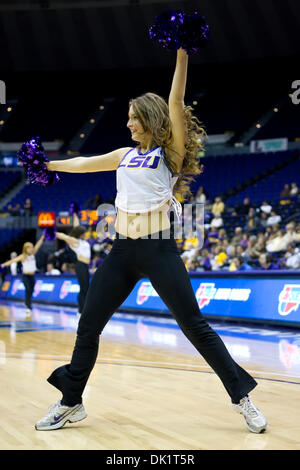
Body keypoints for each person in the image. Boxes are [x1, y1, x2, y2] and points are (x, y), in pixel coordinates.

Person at [35, 48, 267, 434]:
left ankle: (242, 399)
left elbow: (176, 100)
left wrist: (182, 55)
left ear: (149, 119)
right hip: (122, 250)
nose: (127, 125)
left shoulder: (169, 154)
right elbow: (82, 162)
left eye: (133, 118)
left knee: (194, 325)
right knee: (89, 323)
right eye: (127, 119)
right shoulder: (124, 155)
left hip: (159, 248)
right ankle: (70, 402)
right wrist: (48, 164)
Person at [55, 213, 91, 315]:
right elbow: (64, 236)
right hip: (80, 265)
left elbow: (76, 226)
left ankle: (84, 309)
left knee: (86, 288)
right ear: (80, 234)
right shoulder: (75, 241)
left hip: (85, 266)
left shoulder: (81, 240)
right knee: (84, 288)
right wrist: (52, 233)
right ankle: (80, 311)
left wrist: (75, 215)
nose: (85, 234)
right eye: (84, 233)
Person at [0, 234, 44, 314]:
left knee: (32, 290)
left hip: (32, 276)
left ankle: (27, 303)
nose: (31, 249)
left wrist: (42, 238)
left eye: (31, 247)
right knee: (28, 289)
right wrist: (3, 264)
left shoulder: (33, 254)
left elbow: (38, 245)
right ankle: (28, 306)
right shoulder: (23, 256)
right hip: (25, 276)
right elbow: (12, 261)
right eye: (29, 248)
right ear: (25, 249)